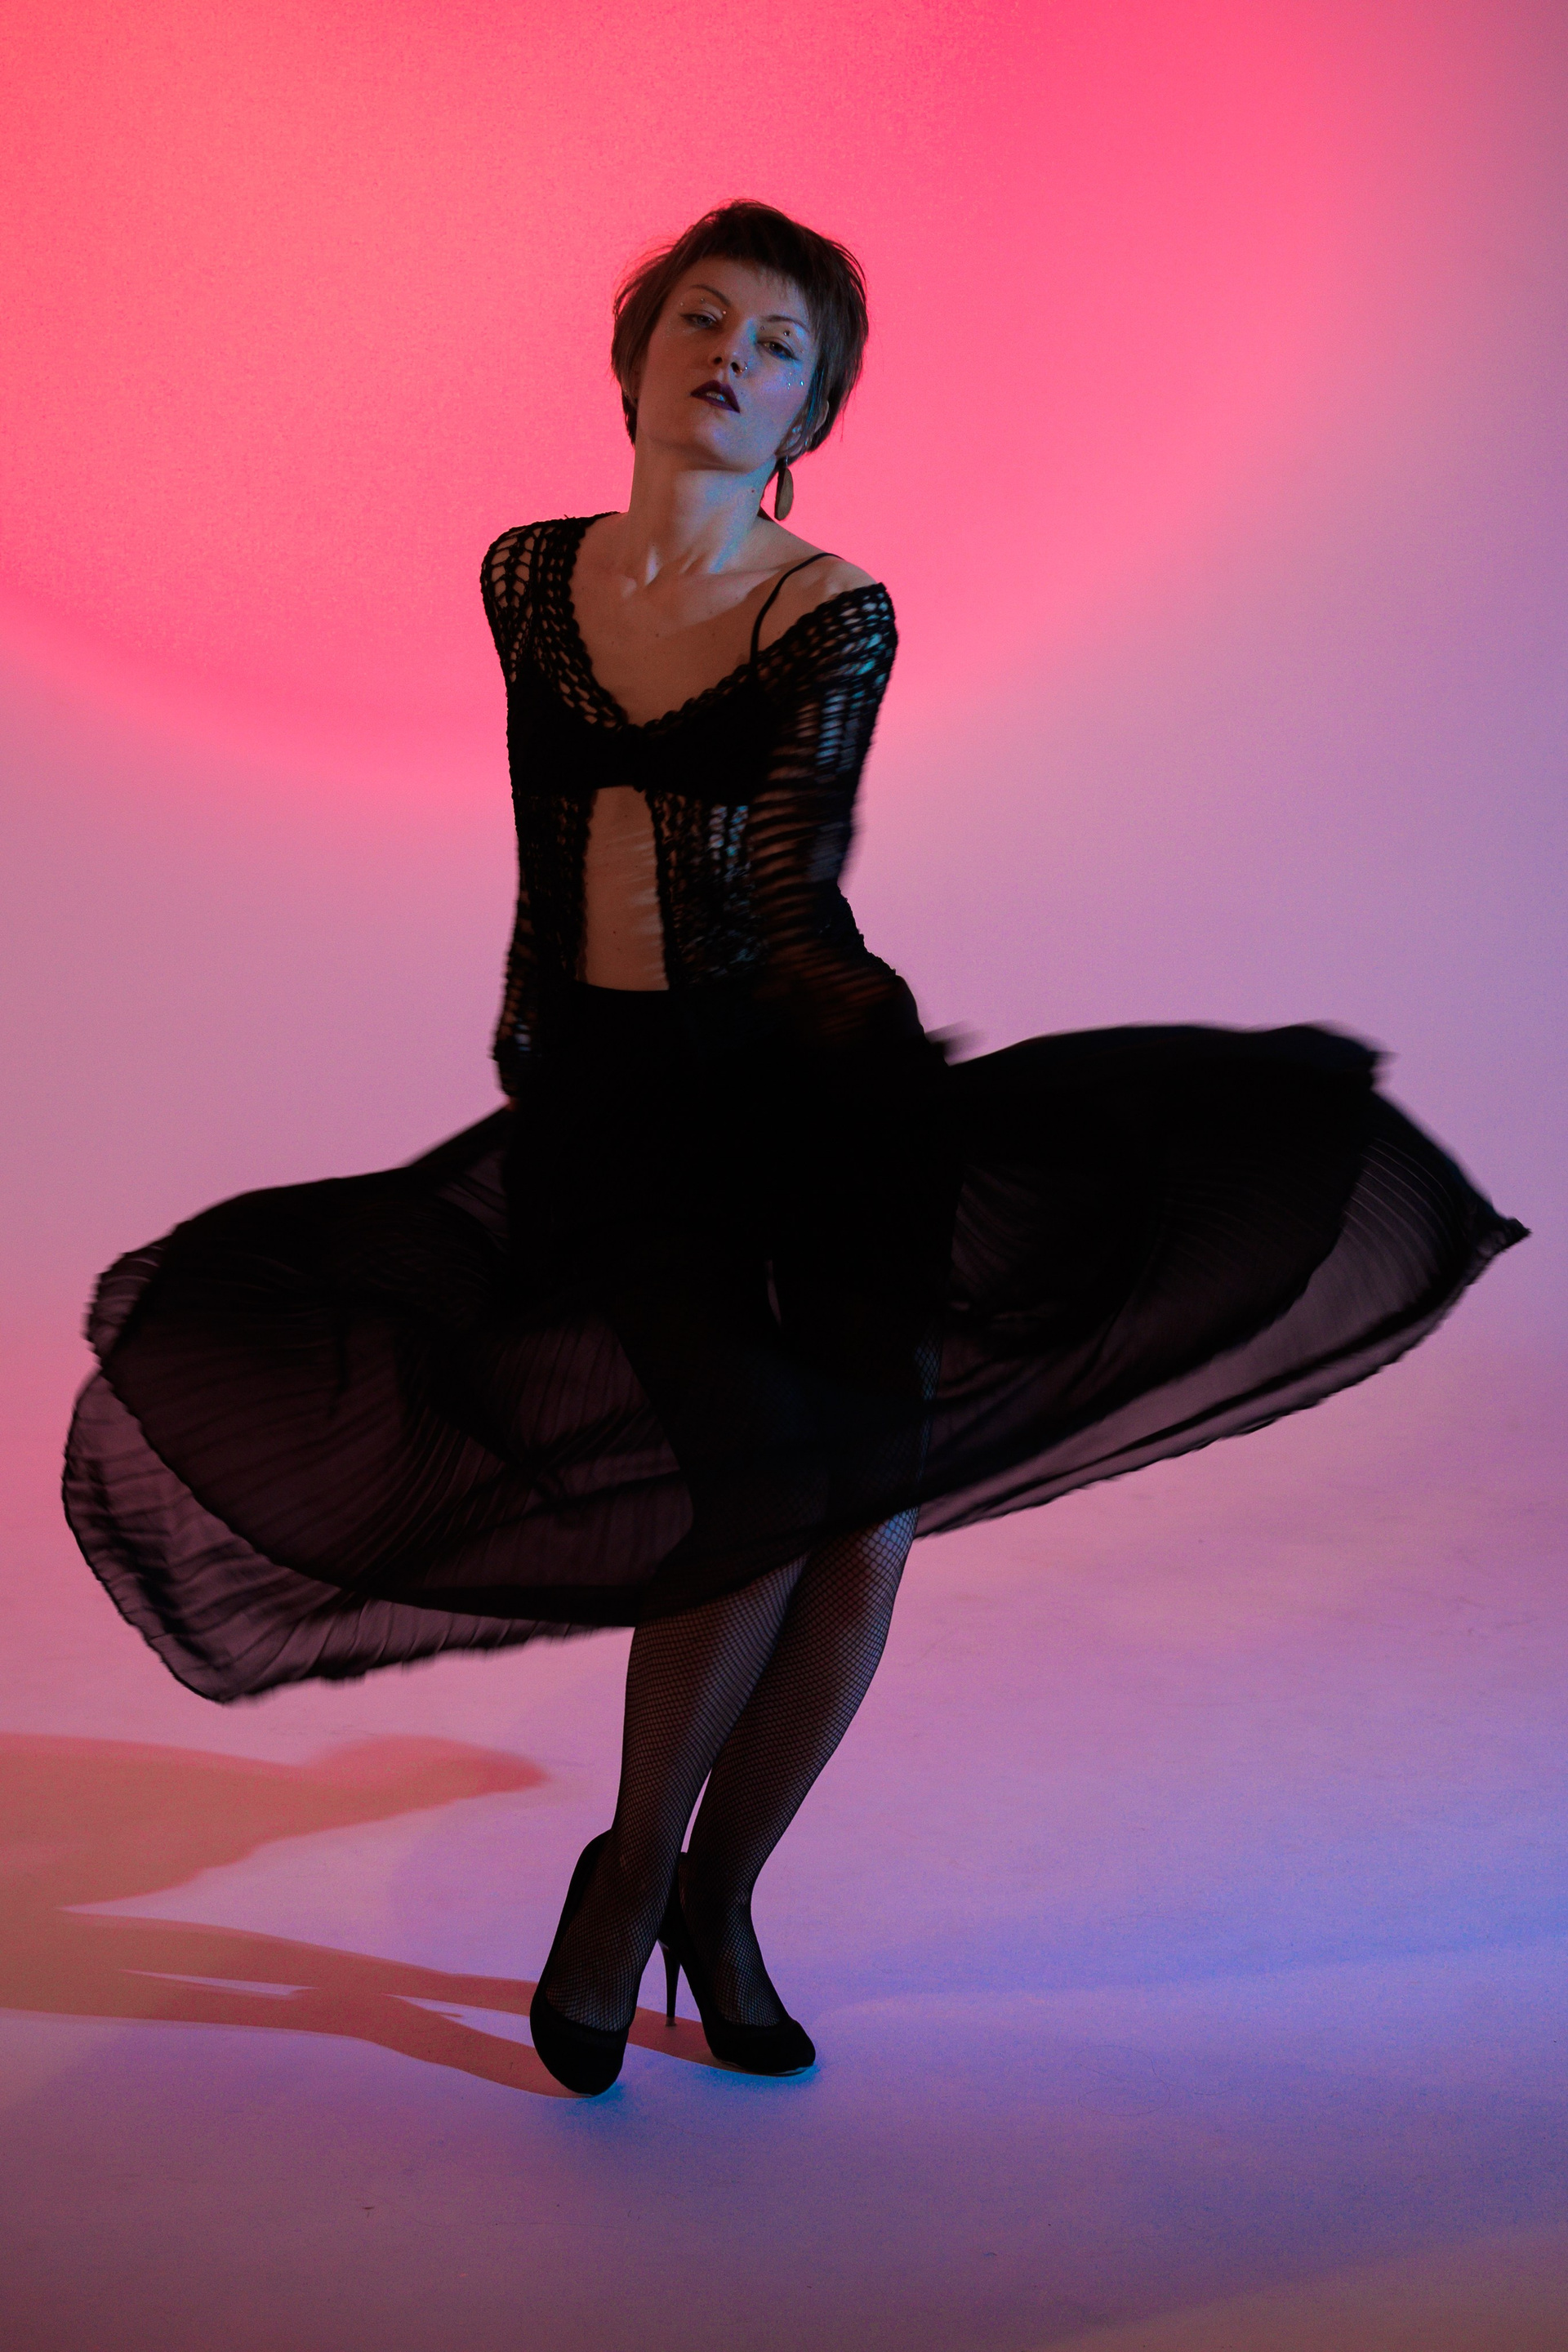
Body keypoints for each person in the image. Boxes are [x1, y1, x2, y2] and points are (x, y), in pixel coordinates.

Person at [65, 201, 1526, 2098]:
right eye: (702, 319)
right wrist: (537, 1058)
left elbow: (781, 888)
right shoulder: (528, 577)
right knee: (755, 1495)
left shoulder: (826, 609)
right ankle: (627, 1874)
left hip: (820, 1095)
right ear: (634, 359)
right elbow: (544, 853)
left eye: (776, 348)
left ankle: (720, 1898)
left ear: (807, 417)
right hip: (616, 1111)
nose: (731, 358)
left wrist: (929, 1102)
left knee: (861, 1532)